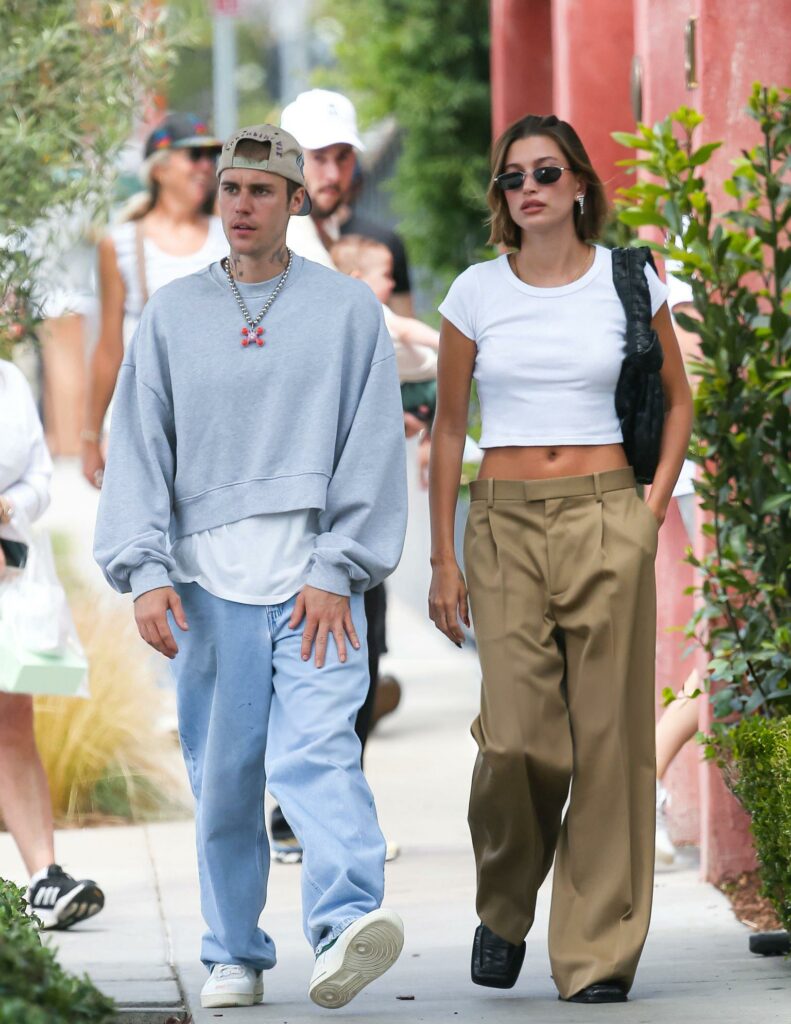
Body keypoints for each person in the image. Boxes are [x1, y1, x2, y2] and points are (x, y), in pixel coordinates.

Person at [93, 124, 407, 1011]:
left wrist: (339, 565)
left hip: (315, 582)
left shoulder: (348, 312)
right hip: (204, 585)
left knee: (318, 757)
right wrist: (144, 569)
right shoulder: (171, 316)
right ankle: (234, 951)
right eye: (231, 189)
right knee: (225, 776)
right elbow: (138, 449)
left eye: (262, 191)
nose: (241, 205)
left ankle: (345, 923)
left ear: (295, 202)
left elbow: (373, 448)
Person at [428, 113, 693, 1003]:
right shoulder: (474, 292)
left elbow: (677, 400)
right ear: (501, 196)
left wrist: (647, 514)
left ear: (579, 183)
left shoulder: (631, 281)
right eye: (512, 177)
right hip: (500, 524)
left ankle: (596, 954)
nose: (528, 187)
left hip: (607, 514)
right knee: (516, 740)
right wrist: (440, 560)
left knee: (613, 742)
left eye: (545, 172)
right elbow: (450, 430)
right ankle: (505, 905)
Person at [272, 89, 412, 863]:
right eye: (317, 155)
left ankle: (330, 808)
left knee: (362, 649)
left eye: (340, 154)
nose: (331, 169)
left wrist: (419, 409)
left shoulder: (380, 238)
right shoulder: (262, 247)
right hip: (290, 487)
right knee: (288, 642)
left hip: (363, 483)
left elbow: (406, 368)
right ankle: (294, 810)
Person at [0, 358, 104, 929]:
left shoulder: (10, 380)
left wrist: (8, 508)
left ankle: (45, 878)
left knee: (14, 719)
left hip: (9, 573)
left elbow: (39, 477)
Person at [81, 113, 228, 489]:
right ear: (159, 169)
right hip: (144, 420)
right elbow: (110, 347)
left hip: (216, 420)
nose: (206, 167)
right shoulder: (123, 243)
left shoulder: (229, 236)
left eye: (211, 157)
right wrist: (90, 436)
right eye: (193, 156)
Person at [330, 233, 438, 428]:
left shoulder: (339, 312)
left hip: (383, 394)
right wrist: (443, 340)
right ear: (358, 280)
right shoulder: (369, 308)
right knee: (441, 393)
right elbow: (406, 330)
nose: (392, 283)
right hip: (408, 389)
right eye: (387, 275)